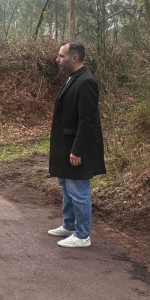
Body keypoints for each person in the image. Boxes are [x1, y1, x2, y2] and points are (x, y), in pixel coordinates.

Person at [47, 41, 106, 248]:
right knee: (66, 186)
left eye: (61, 56)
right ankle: (70, 225)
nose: (57, 60)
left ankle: (82, 235)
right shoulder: (74, 79)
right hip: (66, 146)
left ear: (75, 58)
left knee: (78, 190)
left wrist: (78, 150)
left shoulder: (86, 82)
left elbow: (87, 121)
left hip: (76, 148)